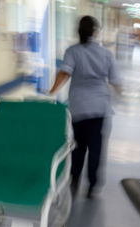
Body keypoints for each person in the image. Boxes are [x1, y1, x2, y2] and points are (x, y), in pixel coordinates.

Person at [49, 16, 122, 198]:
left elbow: (64, 73)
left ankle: (75, 177)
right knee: (96, 146)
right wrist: (124, 94)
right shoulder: (106, 53)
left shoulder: (72, 51)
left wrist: (51, 93)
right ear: (95, 32)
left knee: (79, 146)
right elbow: (115, 80)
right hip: (100, 107)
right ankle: (93, 186)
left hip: (79, 107)